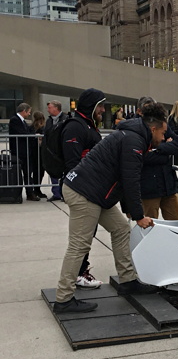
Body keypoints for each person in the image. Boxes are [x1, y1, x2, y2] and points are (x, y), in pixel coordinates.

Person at [53, 102, 168, 313]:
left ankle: (128, 281)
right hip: (84, 193)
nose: (163, 138)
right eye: (163, 132)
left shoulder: (133, 135)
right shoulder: (134, 139)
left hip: (97, 194)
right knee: (79, 245)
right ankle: (63, 299)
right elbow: (131, 179)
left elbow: (124, 179)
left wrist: (130, 210)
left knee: (121, 229)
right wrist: (139, 215)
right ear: (154, 127)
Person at [61, 88, 108, 289]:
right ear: (91, 106)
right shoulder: (75, 127)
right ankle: (76, 277)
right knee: (81, 239)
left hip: (94, 190)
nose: (104, 110)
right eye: (101, 105)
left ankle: (81, 272)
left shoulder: (88, 126)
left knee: (98, 232)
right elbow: (72, 162)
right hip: (83, 191)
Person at [133, 96, 178, 221]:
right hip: (149, 186)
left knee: (175, 223)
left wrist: (158, 149)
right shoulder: (135, 129)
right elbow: (143, 156)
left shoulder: (162, 123)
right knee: (150, 225)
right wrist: (165, 148)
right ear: (140, 111)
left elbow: (177, 144)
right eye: (148, 110)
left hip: (168, 184)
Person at [9, 102, 40, 201]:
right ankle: (20, 193)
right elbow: (22, 133)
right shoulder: (15, 120)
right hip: (19, 151)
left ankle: (30, 193)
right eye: (28, 112)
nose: (29, 114)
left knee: (28, 172)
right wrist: (33, 135)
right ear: (24, 111)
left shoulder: (22, 121)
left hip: (25, 151)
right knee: (21, 173)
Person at [44, 100, 68, 201]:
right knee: (53, 172)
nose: (48, 110)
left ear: (56, 108)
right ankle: (56, 193)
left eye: (50, 107)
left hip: (62, 150)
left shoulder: (66, 119)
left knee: (65, 173)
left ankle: (65, 194)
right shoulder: (49, 121)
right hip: (51, 151)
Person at [28, 111, 47, 198]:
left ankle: (36, 189)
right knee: (39, 171)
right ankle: (37, 189)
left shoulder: (31, 127)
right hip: (39, 152)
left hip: (34, 152)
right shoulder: (41, 127)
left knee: (36, 171)